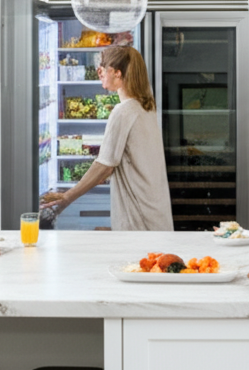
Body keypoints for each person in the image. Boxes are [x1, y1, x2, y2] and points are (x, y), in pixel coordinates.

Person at [43, 45, 174, 231]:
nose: (99, 72)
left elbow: (104, 166)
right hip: (155, 213)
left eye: (103, 67)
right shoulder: (147, 107)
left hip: (138, 217)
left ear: (117, 73)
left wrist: (67, 197)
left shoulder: (123, 112)